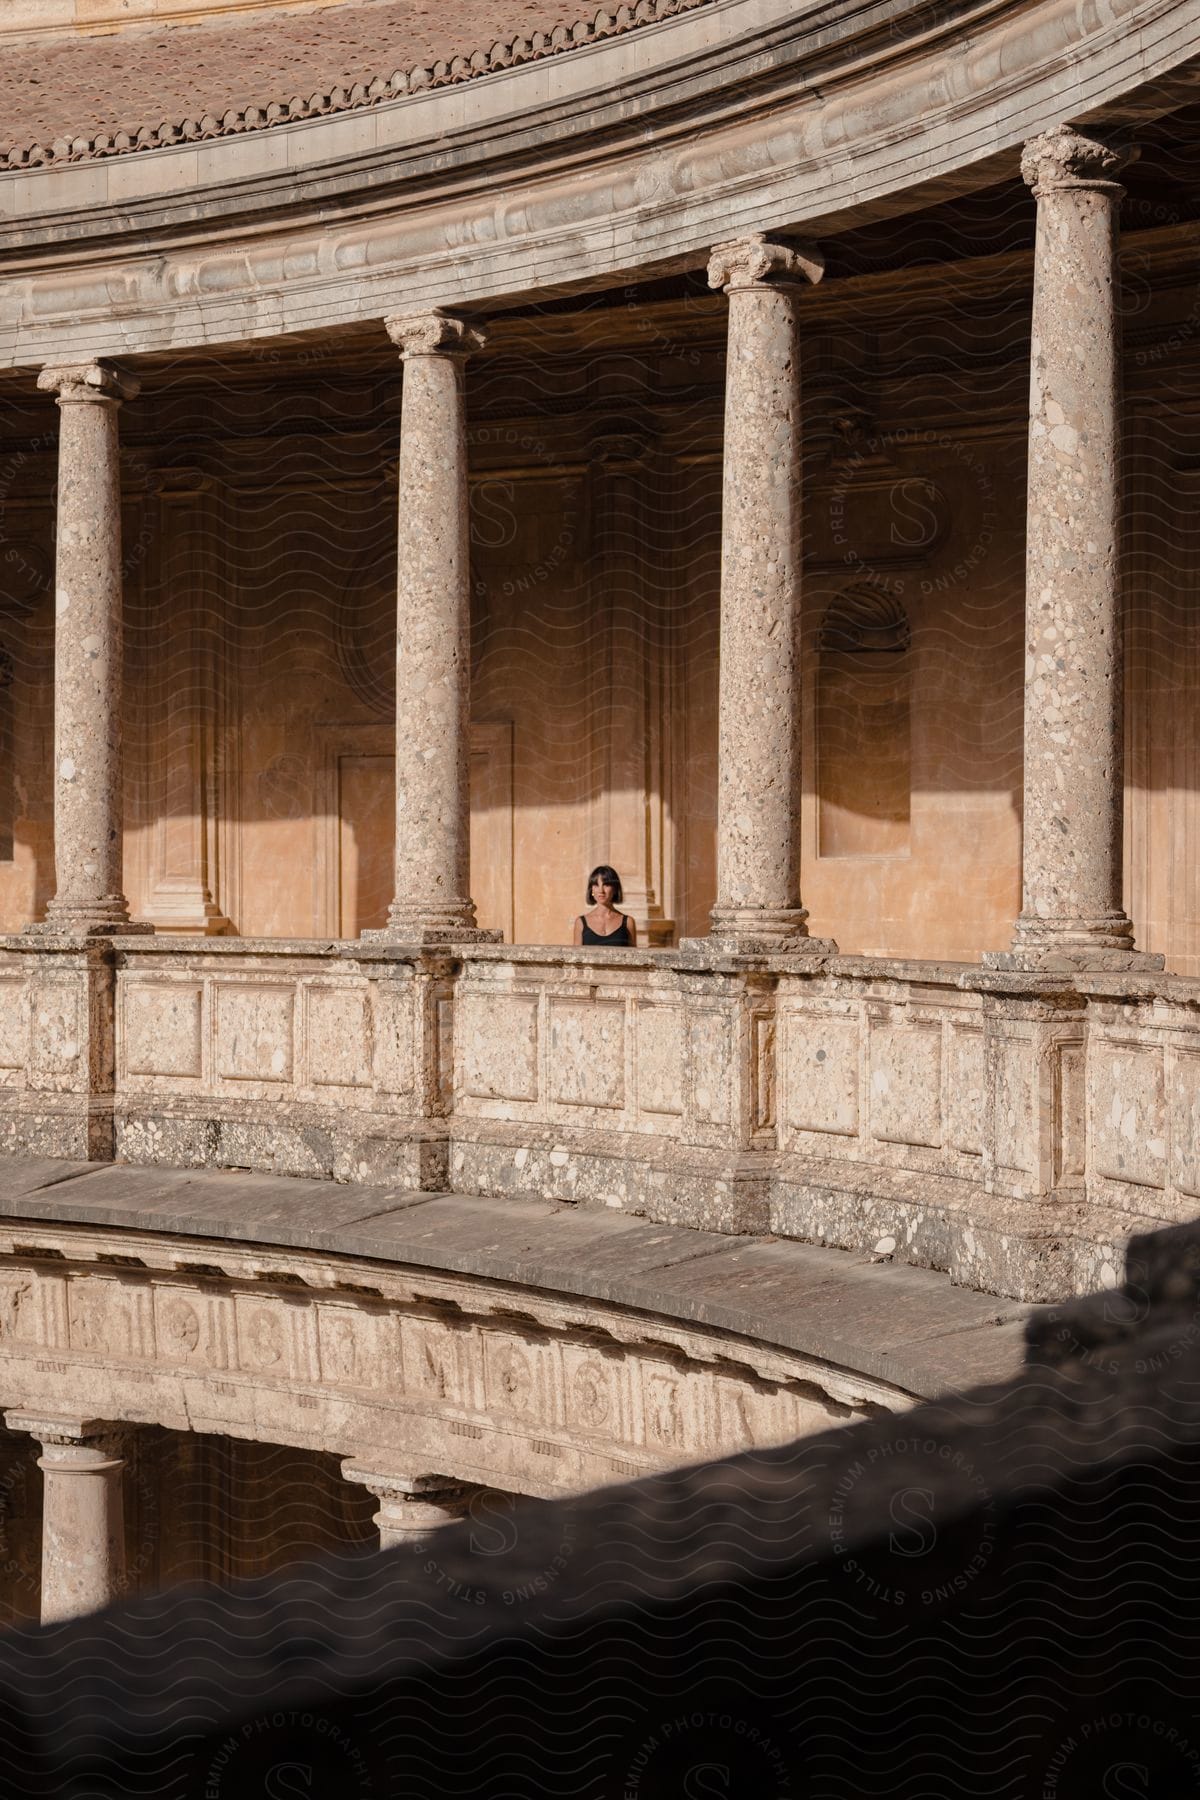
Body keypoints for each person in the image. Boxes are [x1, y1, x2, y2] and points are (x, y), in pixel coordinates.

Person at [573, 865, 637, 947]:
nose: (601, 891)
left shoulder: (628, 922)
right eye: (596, 885)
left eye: (606, 885)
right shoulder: (580, 922)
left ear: (615, 889)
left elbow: (634, 957)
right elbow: (576, 957)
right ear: (591, 889)